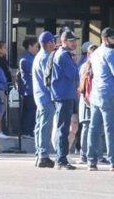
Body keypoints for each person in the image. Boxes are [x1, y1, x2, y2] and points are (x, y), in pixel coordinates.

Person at [87, 27, 114, 171]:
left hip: (95, 94)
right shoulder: (111, 54)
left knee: (94, 128)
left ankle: (91, 160)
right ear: (105, 39)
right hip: (109, 94)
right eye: (113, 38)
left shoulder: (96, 52)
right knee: (111, 129)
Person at [49, 30, 80, 170]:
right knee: (63, 128)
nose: (74, 43)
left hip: (65, 95)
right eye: (71, 40)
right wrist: (75, 63)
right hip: (63, 96)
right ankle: (61, 159)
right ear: (64, 41)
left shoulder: (63, 54)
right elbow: (74, 74)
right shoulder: (63, 55)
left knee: (64, 126)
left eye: (74, 40)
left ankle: (61, 157)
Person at [32, 31, 57, 168]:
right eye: (53, 41)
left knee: (40, 125)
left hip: (39, 95)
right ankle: (43, 155)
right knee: (45, 126)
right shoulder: (46, 58)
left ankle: (39, 154)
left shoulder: (38, 56)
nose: (55, 43)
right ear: (48, 43)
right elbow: (49, 80)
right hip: (46, 96)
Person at [78, 43, 98, 163]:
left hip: (91, 99)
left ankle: (94, 153)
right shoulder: (85, 67)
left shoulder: (95, 66)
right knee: (86, 127)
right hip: (86, 99)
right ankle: (84, 154)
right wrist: (86, 98)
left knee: (94, 128)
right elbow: (82, 85)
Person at [19, 37, 39, 136]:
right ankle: (26, 132)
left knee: (32, 112)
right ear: (30, 46)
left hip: (33, 89)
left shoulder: (31, 58)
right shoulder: (26, 59)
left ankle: (29, 131)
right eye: (36, 46)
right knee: (30, 112)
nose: (37, 49)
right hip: (29, 90)